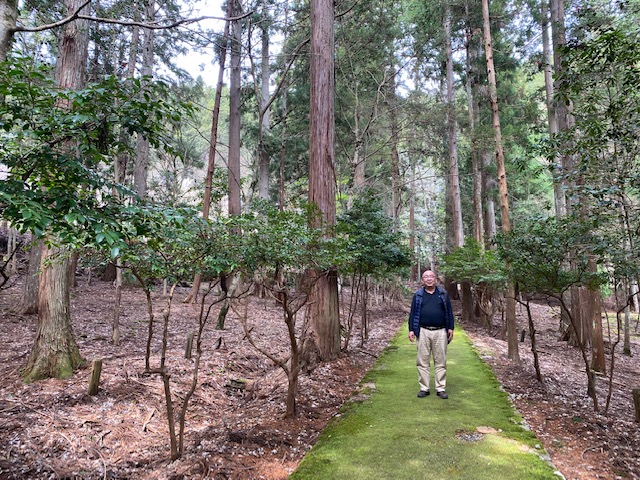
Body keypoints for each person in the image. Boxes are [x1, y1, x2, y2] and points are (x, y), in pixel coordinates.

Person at [408, 270, 454, 399]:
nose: (429, 279)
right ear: (423, 280)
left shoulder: (443, 294)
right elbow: (413, 313)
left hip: (440, 331)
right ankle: (424, 388)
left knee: (440, 361)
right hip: (423, 331)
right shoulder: (418, 295)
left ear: (435, 279)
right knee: (422, 361)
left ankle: (440, 388)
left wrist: (451, 327)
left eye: (431, 276)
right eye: (426, 277)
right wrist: (411, 329)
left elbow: (449, 312)